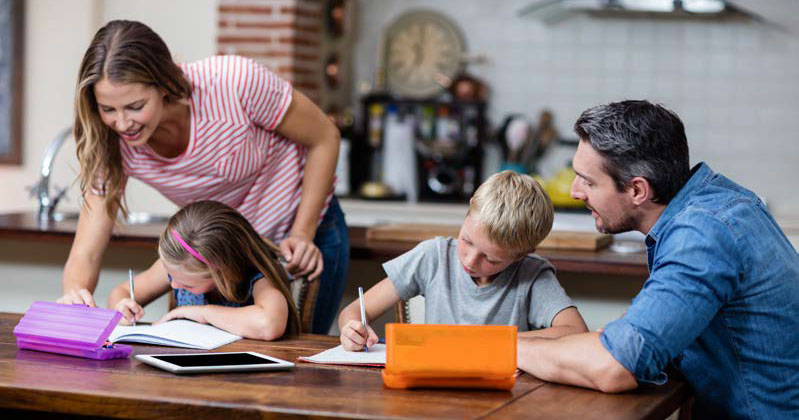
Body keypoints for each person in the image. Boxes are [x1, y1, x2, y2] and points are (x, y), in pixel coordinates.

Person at [57, 20, 348, 334]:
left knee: (296, 360)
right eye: (107, 109)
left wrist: (302, 233)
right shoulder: (111, 140)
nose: (122, 123)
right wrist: (76, 295)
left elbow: (324, 137)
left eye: (135, 106)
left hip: (299, 234)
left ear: (164, 83)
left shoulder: (234, 83)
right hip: (216, 257)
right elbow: (86, 249)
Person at [517, 100, 799, 419]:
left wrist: (502, 349)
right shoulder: (716, 202)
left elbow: (615, 366)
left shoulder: (702, 236)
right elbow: (637, 340)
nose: (574, 191)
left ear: (638, 190)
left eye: (588, 181)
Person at [339, 170, 588, 351]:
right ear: (469, 211)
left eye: (490, 259)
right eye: (466, 240)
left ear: (523, 254)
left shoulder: (531, 275)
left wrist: (489, 340)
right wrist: (352, 329)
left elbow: (575, 332)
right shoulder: (433, 256)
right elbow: (354, 311)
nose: (469, 260)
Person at [108, 200, 300, 339]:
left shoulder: (257, 279)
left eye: (186, 284)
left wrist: (203, 313)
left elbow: (269, 325)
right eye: (170, 274)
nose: (173, 284)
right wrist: (122, 307)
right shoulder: (178, 265)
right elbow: (120, 292)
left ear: (222, 273)